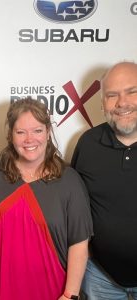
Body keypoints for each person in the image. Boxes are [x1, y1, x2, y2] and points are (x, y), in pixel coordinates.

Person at [0, 97, 93, 300]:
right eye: (21, 132)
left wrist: (70, 295)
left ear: (48, 132)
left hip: (55, 290)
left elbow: (79, 243)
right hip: (5, 287)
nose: (29, 139)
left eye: (37, 130)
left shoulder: (69, 180)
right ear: (10, 135)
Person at [71, 61, 137, 299]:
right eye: (112, 95)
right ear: (102, 104)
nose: (122, 103)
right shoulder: (88, 143)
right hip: (101, 278)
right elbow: (75, 207)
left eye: (132, 91)